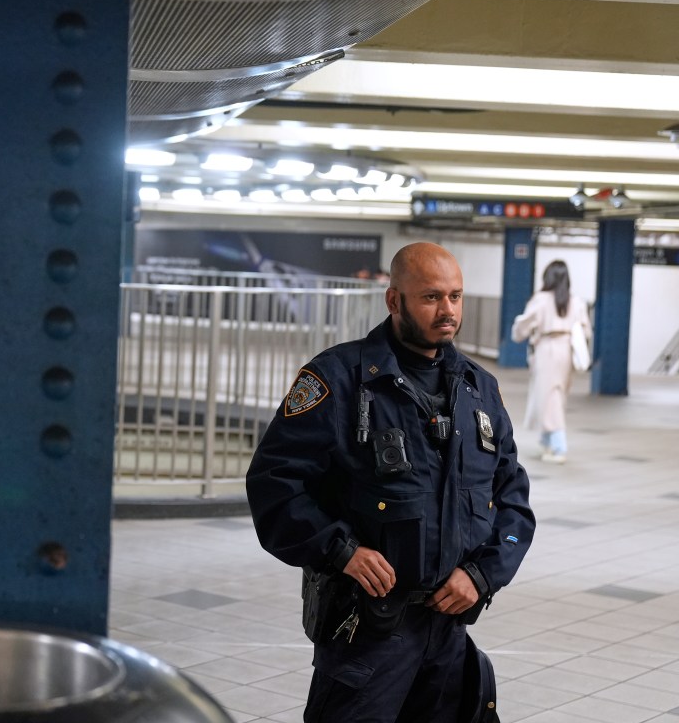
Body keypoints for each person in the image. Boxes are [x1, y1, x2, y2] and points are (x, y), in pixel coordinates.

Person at [246, 242, 534, 723]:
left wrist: (482, 575)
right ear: (394, 300)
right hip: (368, 634)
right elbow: (273, 483)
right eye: (431, 297)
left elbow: (513, 501)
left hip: (448, 633)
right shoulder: (339, 379)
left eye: (456, 296)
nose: (448, 311)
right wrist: (341, 550)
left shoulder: (479, 390)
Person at [510, 259, 590, 464]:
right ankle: (546, 442)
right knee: (556, 395)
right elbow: (586, 330)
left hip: (547, 348)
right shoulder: (576, 301)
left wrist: (518, 332)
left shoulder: (541, 299)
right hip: (567, 350)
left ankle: (558, 446)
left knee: (548, 396)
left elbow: (523, 326)